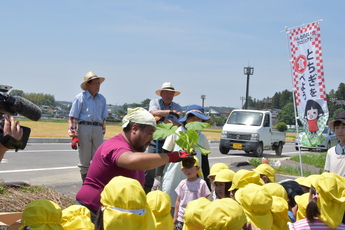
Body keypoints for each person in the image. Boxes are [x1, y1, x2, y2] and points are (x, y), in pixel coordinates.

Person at [76, 107, 191, 221]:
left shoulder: (134, 151)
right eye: (150, 133)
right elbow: (131, 160)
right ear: (135, 128)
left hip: (111, 215)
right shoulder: (115, 145)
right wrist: (171, 157)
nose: (151, 139)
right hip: (91, 213)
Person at [162, 104, 211, 214]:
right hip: (174, 176)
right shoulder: (176, 132)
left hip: (193, 178)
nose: (195, 121)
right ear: (186, 120)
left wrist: (207, 181)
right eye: (192, 118)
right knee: (171, 206)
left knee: (191, 209)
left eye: (198, 119)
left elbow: (205, 161)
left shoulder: (202, 137)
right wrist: (158, 175)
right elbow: (164, 155)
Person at [68, 71, 108, 182]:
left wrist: (102, 132)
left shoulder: (102, 99)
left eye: (98, 83)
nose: (97, 86)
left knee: (98, 156)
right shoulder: (80, 98)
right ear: (88, 85)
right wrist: (73, 135)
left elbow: (103, 118)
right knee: (84, 156)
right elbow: (73, 117)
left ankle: (96, 181)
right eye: (95, 83)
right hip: (84, 127)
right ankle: (85, 181)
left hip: (97, 128)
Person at [145, 82, 182, 193]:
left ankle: (165, 192)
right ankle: (146, 191)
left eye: (171, 93)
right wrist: (170, 113)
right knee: (149, 167)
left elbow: (179, 124)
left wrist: (161, 119)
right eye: (166, 93)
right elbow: (152, 113)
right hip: (154, 139)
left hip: (170, 141)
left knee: (167, 167)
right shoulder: (154, 102)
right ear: (161, 94)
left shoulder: (178, 107)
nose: (168, 95)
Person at [174, 156, 211, 230]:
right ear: (182, 169)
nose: (188, 170)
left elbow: (205, 202)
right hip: (181, 218)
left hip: (195, 218)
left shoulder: (202, 183)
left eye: (191, 167)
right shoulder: (182, 183)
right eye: (186, 168)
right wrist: (175, 216)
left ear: (197, 168)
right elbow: (178, 200)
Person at [324, 111, 345, 177]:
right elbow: (327, 173)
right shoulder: (331, 152)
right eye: (337, 128)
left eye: (343, 128)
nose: (340, 131)